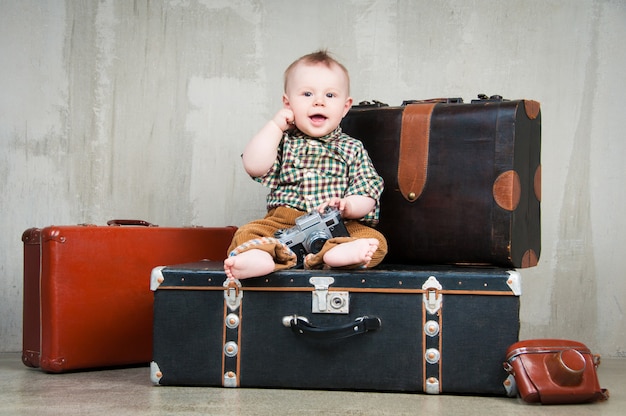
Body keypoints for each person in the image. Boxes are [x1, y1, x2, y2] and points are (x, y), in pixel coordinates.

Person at [224, 50, 387, 279]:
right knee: (247, 233)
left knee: (375, 242)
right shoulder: (282, 141)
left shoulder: (352, 148)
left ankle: (334, 254)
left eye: (330, 95)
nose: (319, 101)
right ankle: (263, 257)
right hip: (284, 222)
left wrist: (348, 205)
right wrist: (275, 126)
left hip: (338, 225)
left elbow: (368, 192)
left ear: (345, 107)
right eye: (307, 93)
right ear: (287, 103)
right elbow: (254, 165)